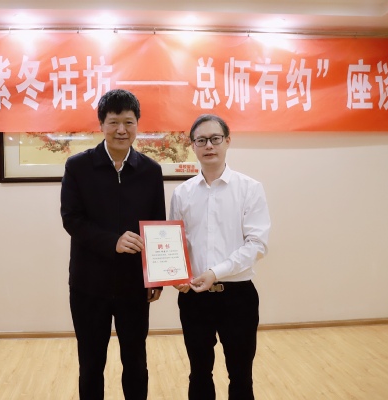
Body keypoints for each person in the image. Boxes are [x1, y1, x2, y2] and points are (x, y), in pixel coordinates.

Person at [60, 89, 166, 400]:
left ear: (138, 124)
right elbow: (71, 219)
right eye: (114, 122)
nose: (122, 130)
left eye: (129, 122)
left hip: (134, 286)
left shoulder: (151, 171)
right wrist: (112, 242)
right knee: (91, 363)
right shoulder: (78, 166)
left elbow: (157, 226)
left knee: (136, 362)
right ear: (101, 125)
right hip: (88, 285)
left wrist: (157, 277)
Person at [169, 114, 271, 400]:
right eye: (201, 140)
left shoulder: (250, 188)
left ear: (227, 141)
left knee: (240, 375)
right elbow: (176, 244)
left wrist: (216, 272)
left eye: (215, 139)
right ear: (192, 145)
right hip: (194, 298)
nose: (209, 146)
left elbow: (257, 244)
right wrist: (176, 275)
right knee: (199, 373)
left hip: (238, 297)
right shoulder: (182, 193)